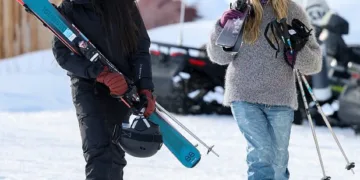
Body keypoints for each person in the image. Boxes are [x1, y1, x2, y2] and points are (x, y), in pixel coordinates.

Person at [207, 0, 322, 179]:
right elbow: (219, 57)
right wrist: (222, 27)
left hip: (281, 97)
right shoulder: (240, 8)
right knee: (261, 153)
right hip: (244, 95)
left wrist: (297, 49)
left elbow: (314, 64)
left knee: (278, 161)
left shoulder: (292, 10)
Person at [51, 0, 156, 179]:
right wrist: (100, 74)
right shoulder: (70, 7)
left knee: (115, 154)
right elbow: (63, 54)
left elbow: (140, 49)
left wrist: (144, 87)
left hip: (122, 88)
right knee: (98, 151)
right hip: (88, 87)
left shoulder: (124, 5)